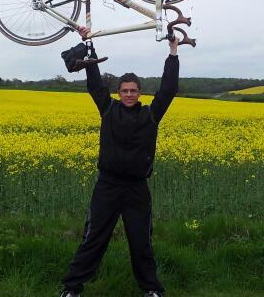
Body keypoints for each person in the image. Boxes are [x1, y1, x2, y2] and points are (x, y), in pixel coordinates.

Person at [60, 26, 180, 297]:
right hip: (108, 186)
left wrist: (173, 51)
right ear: (118, 93)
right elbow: (94, 84)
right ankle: (71, 288)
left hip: (137, 189)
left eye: (133, 90)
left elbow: (169, 89)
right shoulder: (108, 109)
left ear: (139, 93)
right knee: (93, 238)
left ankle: (151, 290)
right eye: (124, 90)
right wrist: (88, 44)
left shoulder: (151, 115)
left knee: (141, 242)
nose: (128, 94)